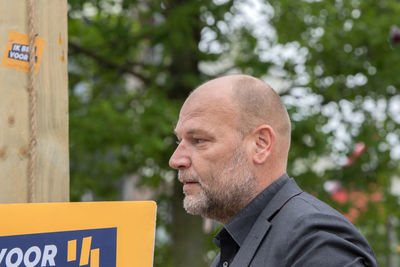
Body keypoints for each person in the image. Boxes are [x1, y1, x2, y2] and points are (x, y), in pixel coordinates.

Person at [169, 74, 377, 267]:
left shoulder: (316, 242)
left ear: (260, 144)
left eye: (198, 140)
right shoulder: (239, 245)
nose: (176, 159)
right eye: (180, 141)